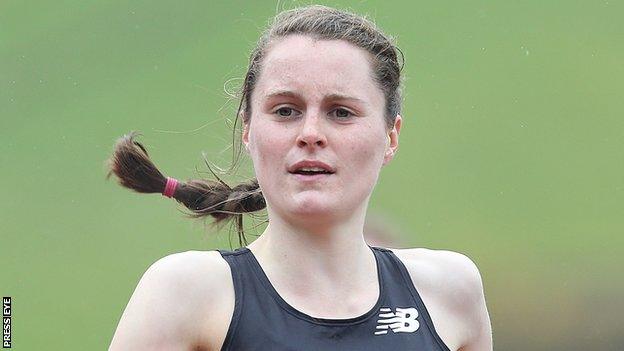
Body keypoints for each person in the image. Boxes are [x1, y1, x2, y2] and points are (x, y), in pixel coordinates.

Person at [106, 5, 492, 351]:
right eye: (286, 110)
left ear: (391, 137)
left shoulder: (450, 293)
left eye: (341, 112)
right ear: (248, 130)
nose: (310, 133)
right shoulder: (187, 293)